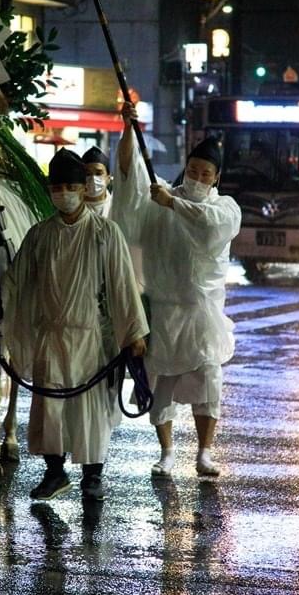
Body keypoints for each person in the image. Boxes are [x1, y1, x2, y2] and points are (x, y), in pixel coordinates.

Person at [1, 148, 148, 502]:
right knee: (49, 406)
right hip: (50, 334)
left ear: (83, 189)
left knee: (89, 409)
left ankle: (92, 475)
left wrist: (134, 333)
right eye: (57, 186)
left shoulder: (105, 232)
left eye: (70, 185)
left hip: (91, 337)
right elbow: (16, 282)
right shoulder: (39, 235)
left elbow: (122, 286)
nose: (63, 193)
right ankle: (55, 473)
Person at [112, 105, 241, 478]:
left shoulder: (225, 208)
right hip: (164, 309)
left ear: (216, 178)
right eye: (193, 170)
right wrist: (128, 130)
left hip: (202, 311)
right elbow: (128, 181)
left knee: (207, 380)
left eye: (206, 173)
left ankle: (204, 452)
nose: (198, 177)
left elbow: (210, 227)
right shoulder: (160, 199)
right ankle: (166, 451)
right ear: (185, 168)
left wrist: (175, 204)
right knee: (160, 383)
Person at [81, 146, 112, 217]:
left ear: (108, 178)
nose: (93, 178)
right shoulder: (73, 209)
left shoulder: (115, 206)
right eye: (87, 174)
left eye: (98, 173)